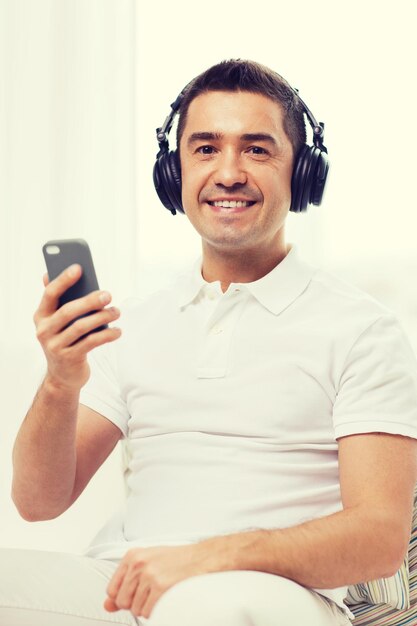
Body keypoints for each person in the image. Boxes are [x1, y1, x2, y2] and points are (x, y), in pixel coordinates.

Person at [1, 59, 417, 626]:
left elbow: (379, 539)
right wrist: (59, 381)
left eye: (257, 149)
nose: (228, 172)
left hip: (272, 593)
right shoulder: (135, 324)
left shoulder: (363, 329)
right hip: (126, 582)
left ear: (302, 173)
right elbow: (37, 503)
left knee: (209, 610)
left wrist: (207, 557)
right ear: (174, 173)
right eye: (204, 148)